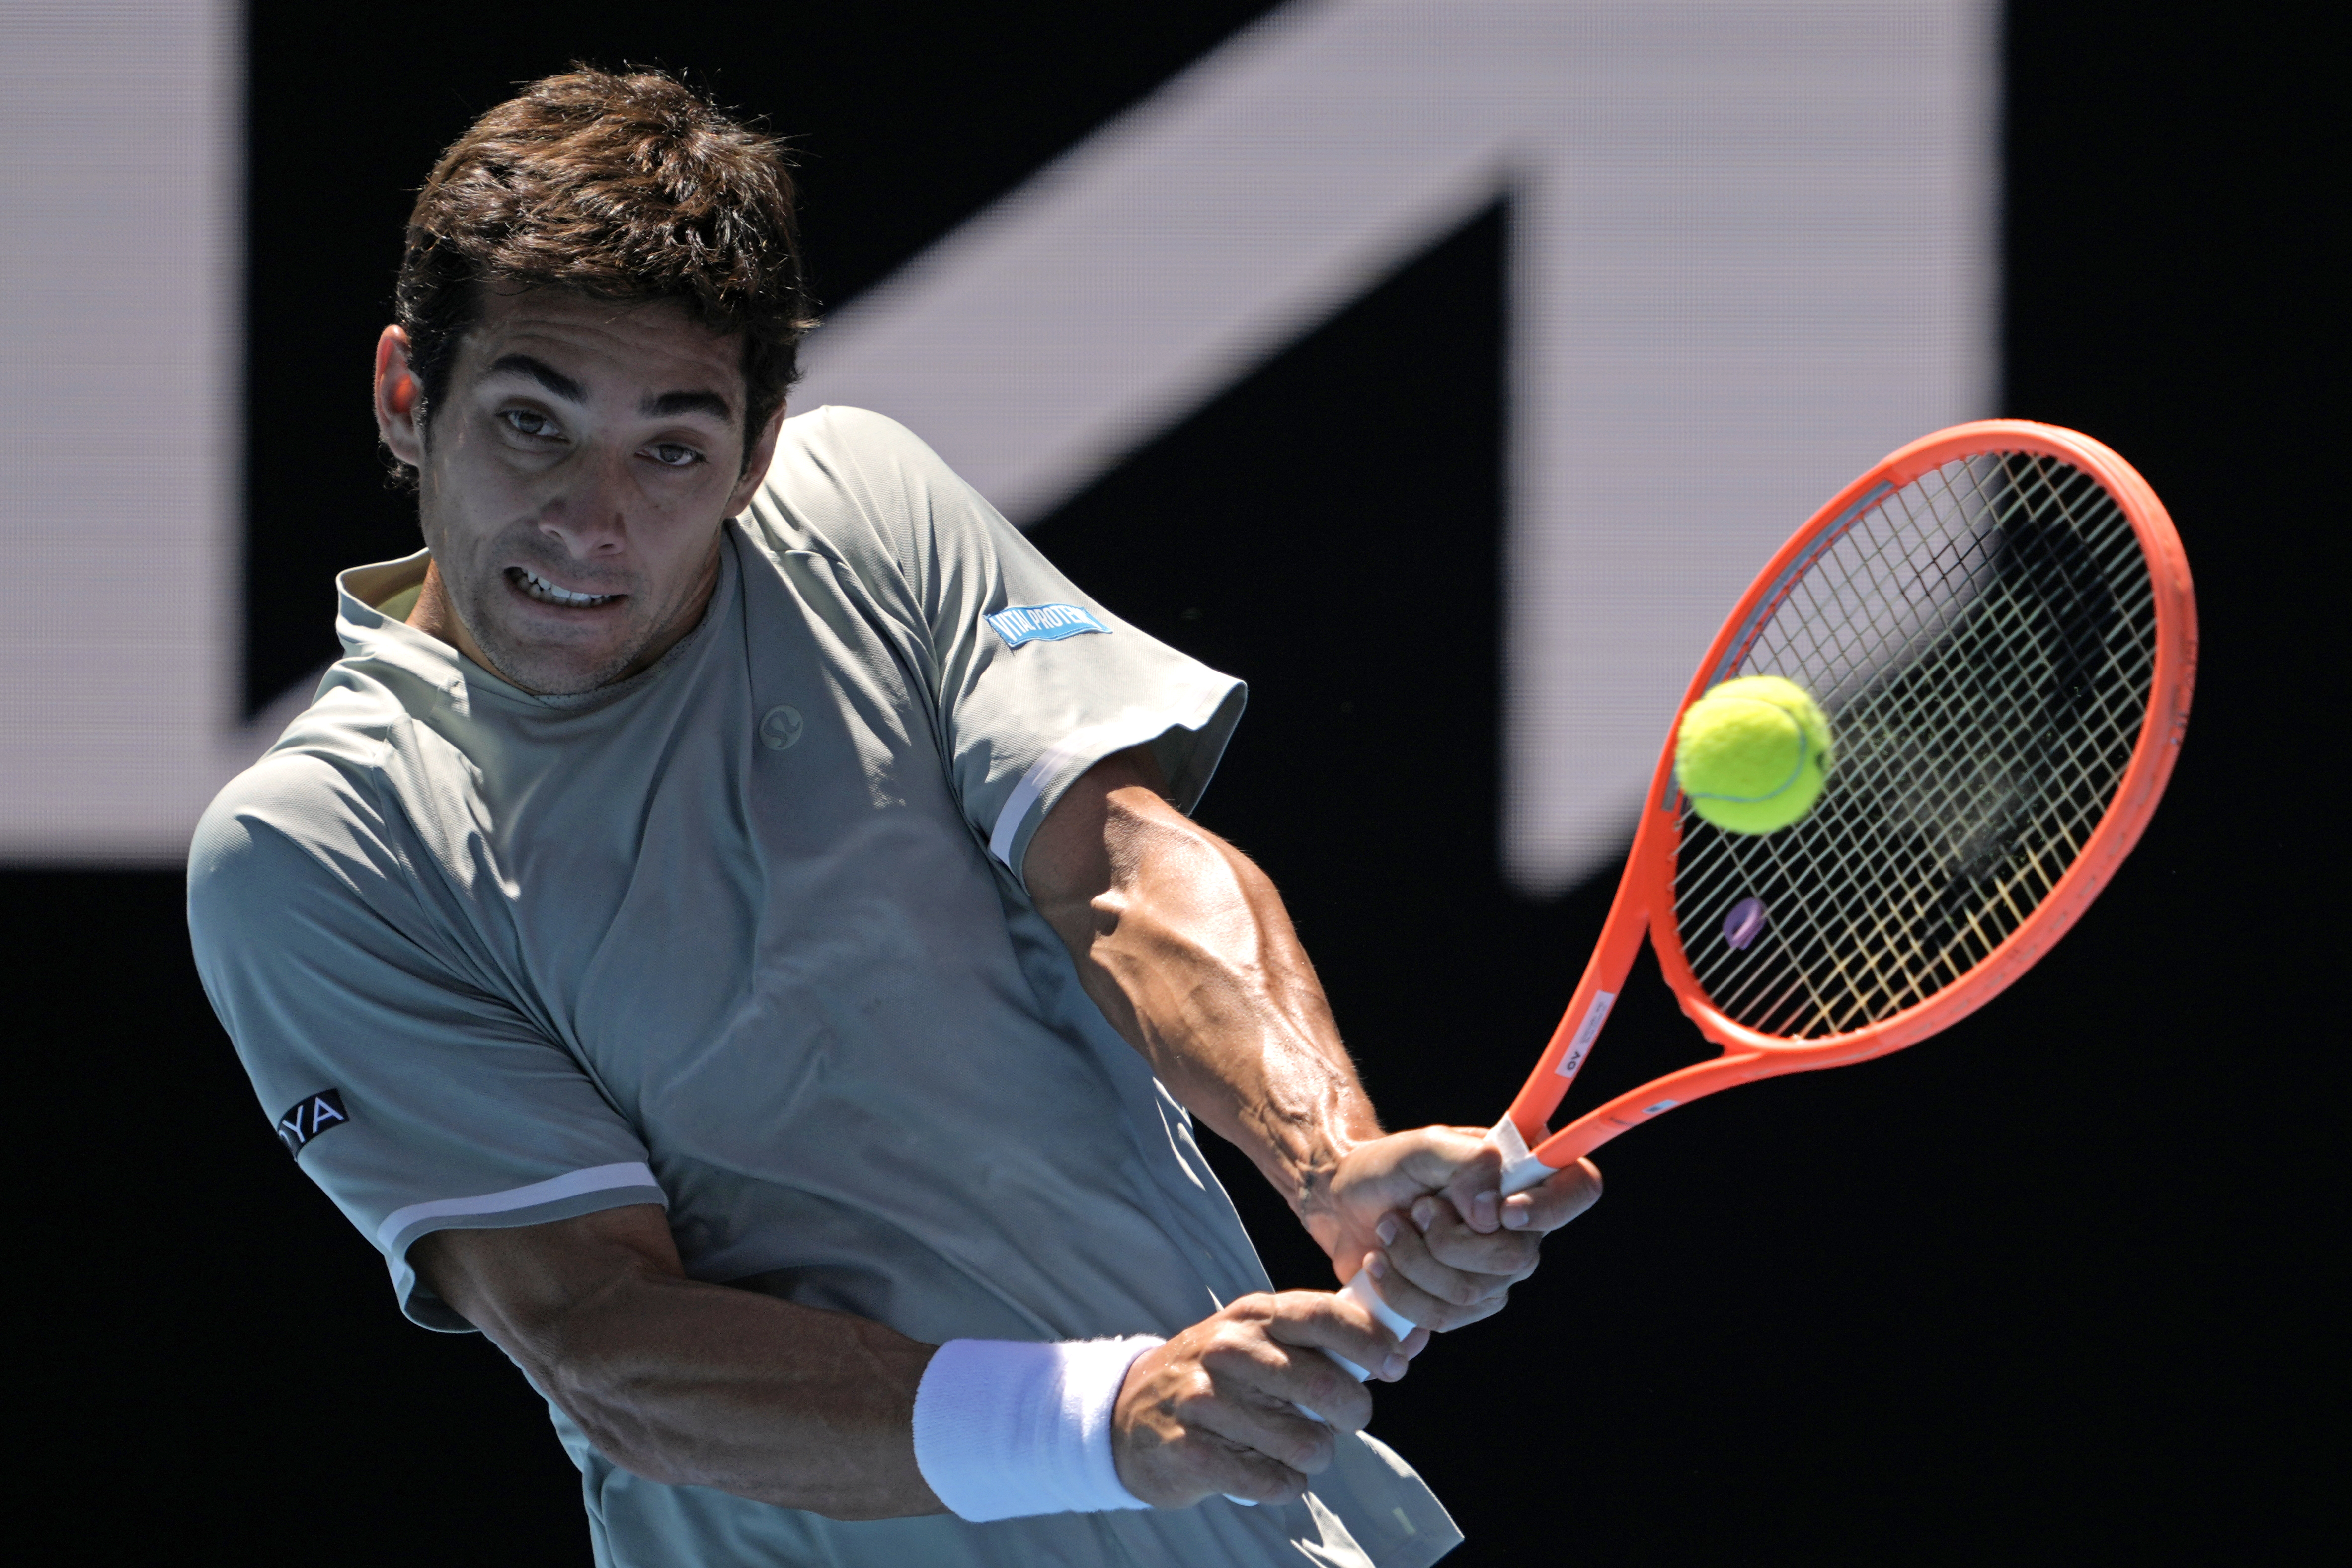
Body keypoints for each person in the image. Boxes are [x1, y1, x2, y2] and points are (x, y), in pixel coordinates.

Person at [188, 68, 1600, 1567]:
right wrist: (1110, 1418)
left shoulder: (864, 511)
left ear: (758, 450)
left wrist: (1329, 1158)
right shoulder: (315, 854)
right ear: (408, 396)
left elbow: (1117, 865)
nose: (593, 523)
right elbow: (607, 1340)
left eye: (673, 448)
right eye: (533, 423)